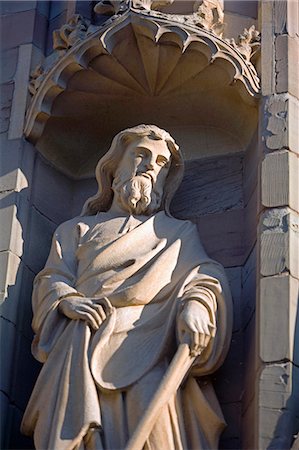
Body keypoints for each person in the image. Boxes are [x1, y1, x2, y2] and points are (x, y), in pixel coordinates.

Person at [21, 125, 233, 450]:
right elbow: (51, 278)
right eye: (141, 155)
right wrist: (67, 301)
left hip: (149, 345)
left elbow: (204, 277)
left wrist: (196, 306)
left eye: (161, 162)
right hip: (81, 343)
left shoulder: (176, 233)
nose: (151, 165)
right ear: (115, 166)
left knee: (155, 429)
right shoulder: (76, 230)